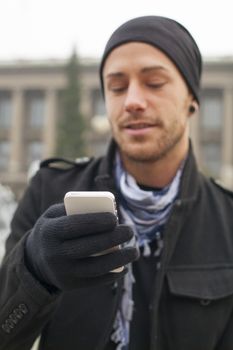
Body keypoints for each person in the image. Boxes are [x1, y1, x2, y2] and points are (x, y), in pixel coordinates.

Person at [1, 15, 233, 350]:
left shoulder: (227, 219)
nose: (133, 101)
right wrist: (33, 273)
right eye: (117, 87)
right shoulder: (49, 194)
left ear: (192, 99)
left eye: (154, 83)